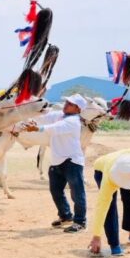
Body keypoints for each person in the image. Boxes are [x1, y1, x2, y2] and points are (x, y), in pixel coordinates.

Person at [25, 94, 87, 231]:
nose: (66, 104)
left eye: (70, 104)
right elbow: (43, 117)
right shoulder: (59, 115)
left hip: (72, 161)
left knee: (77, 193)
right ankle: (65, 216)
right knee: (56, 191)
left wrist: (37, 128)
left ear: (78, 109)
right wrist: (30, 112)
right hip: (57, 160)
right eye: (66, 102)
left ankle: (80, 222)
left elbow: (55, 128)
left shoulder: (73, 121)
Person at [89, 146, 130, 257]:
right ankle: (114, 244)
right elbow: (102, 207)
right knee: (110, 207)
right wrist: (96, 236)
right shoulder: (109, 180)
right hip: (102, 169)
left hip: (129, 169)